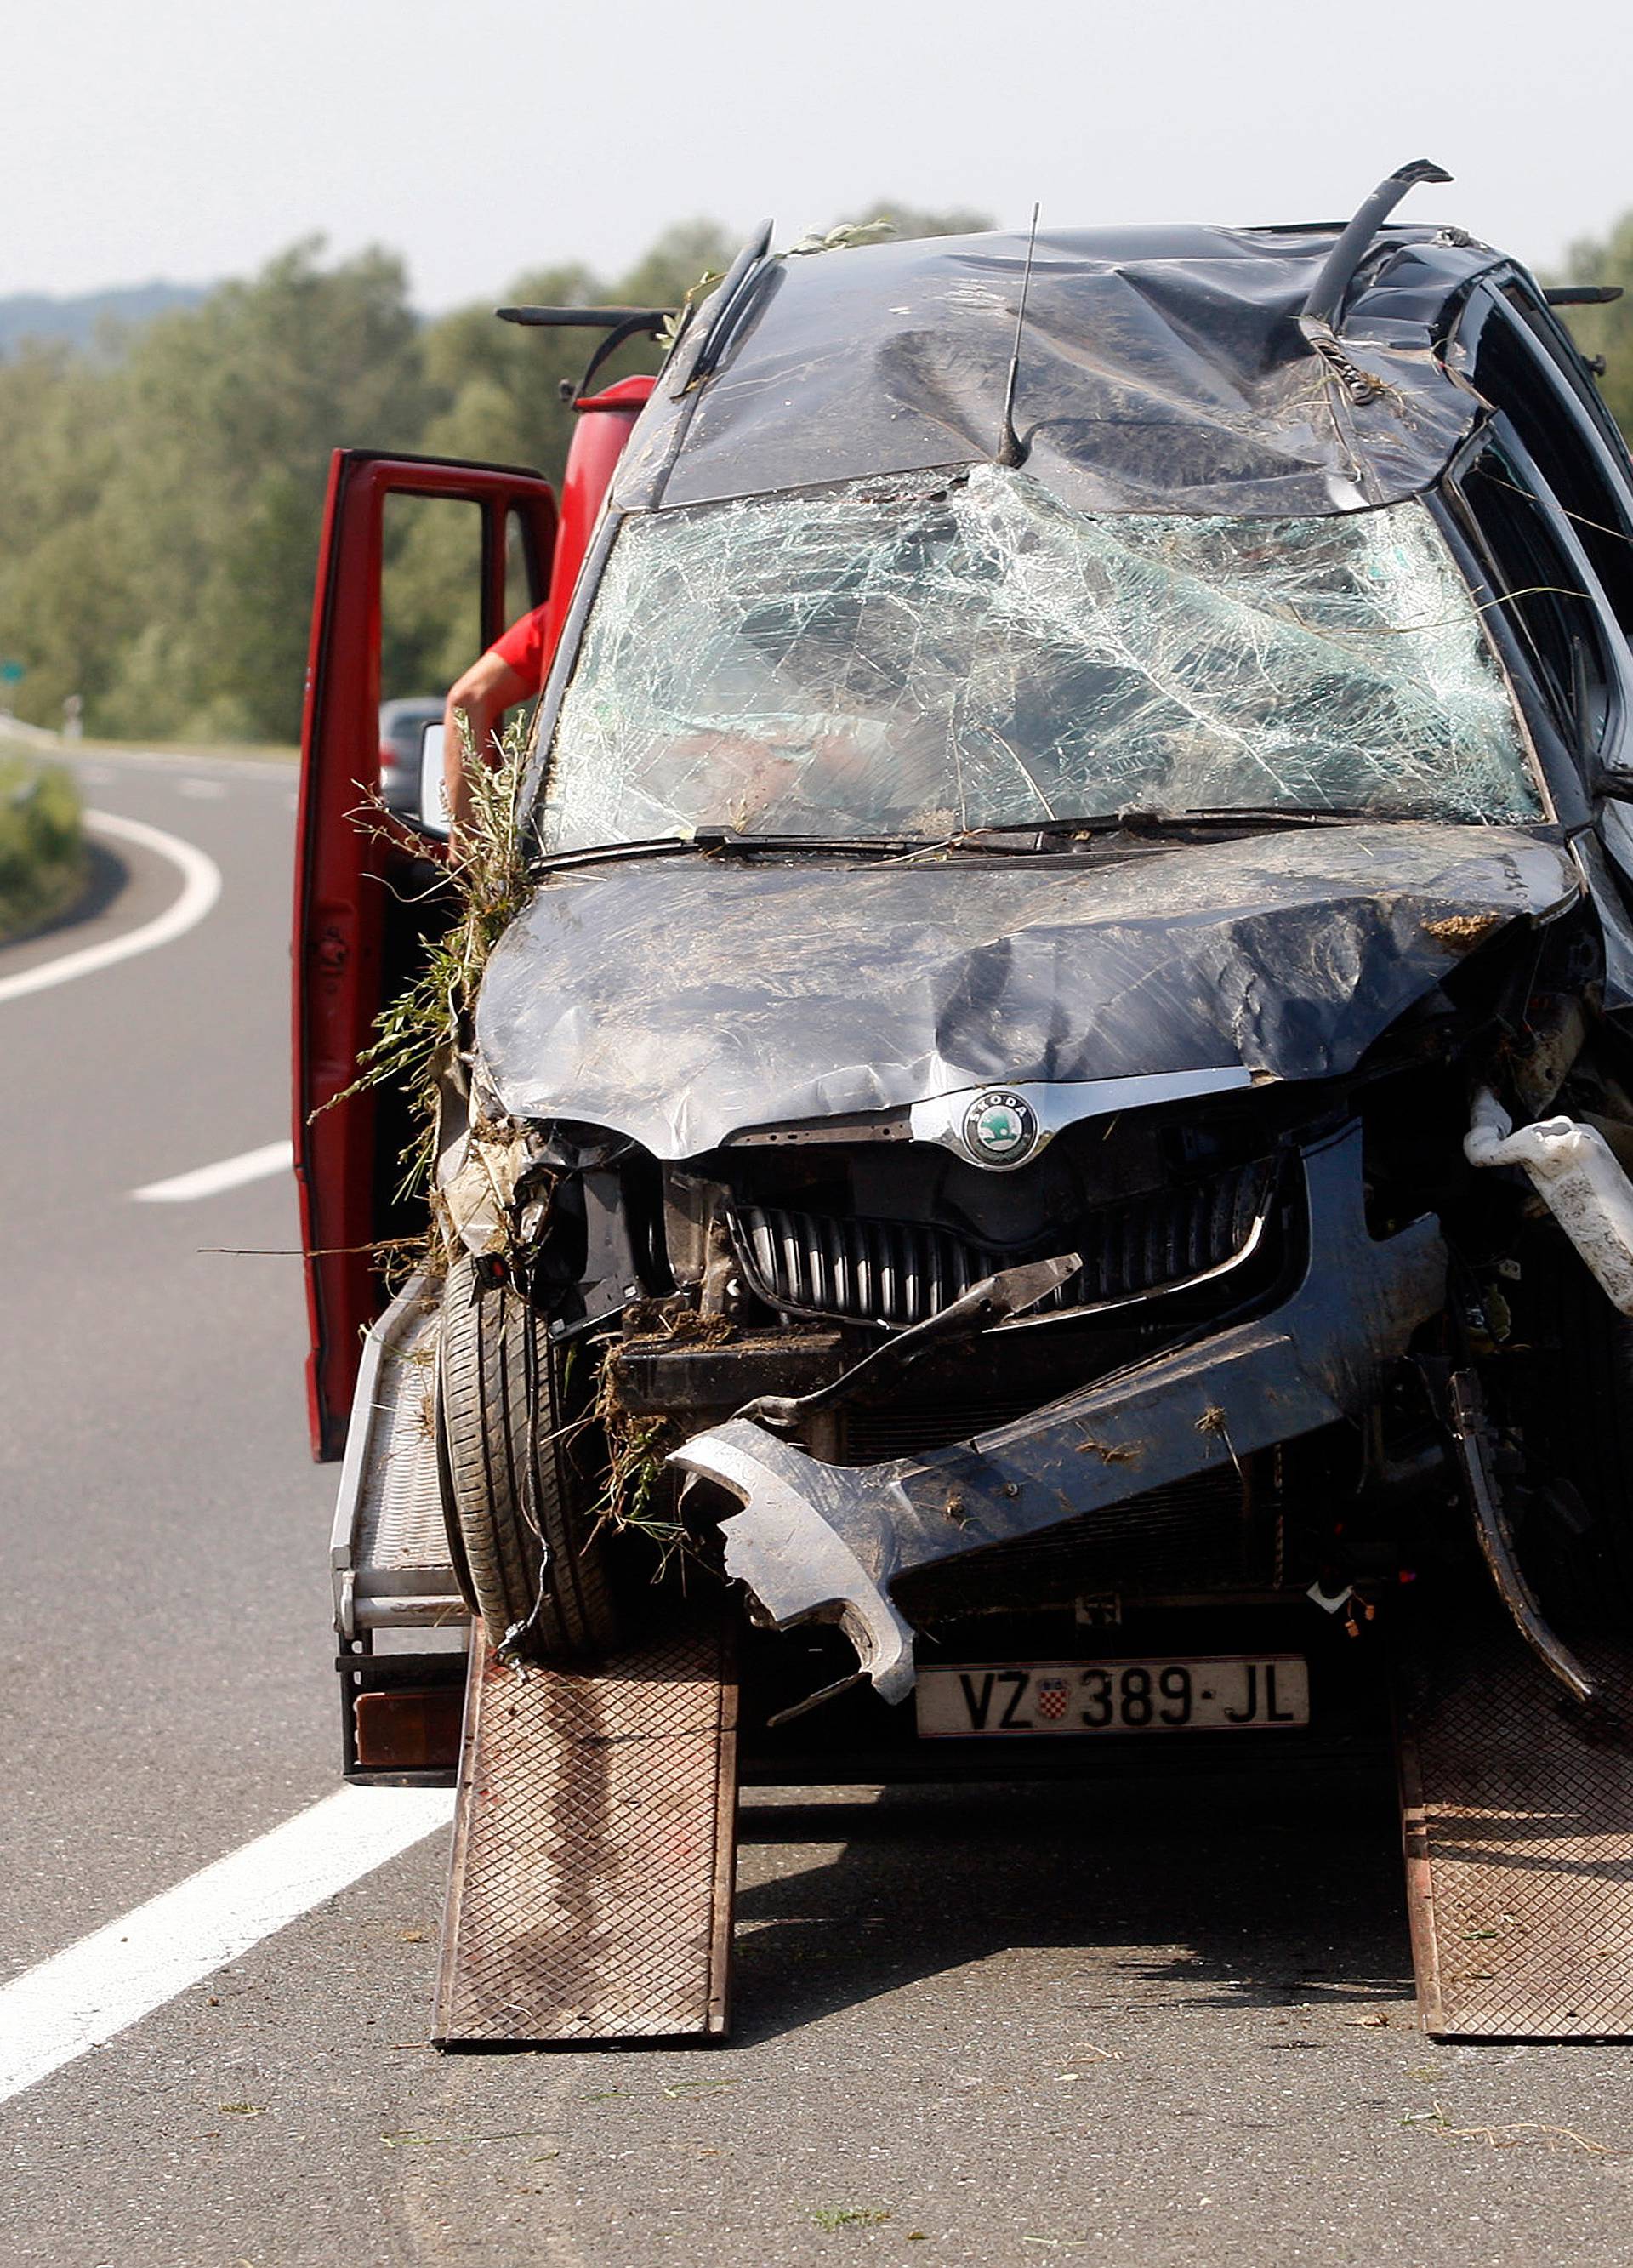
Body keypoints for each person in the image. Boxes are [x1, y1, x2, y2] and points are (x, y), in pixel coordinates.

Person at [441, 601, 551, 834]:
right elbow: (469, 700)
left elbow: (468, 700)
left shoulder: (584, 604)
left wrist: (469, 846)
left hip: (584, 848)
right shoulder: (614, 591)